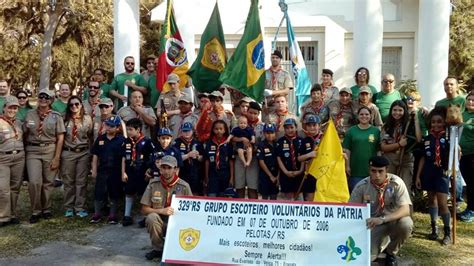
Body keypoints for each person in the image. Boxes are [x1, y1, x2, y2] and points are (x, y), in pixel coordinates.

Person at [349, 156, 413, 266]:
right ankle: (382, 243)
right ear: (369, 170)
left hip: (393, 221)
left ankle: (391, 253)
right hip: (373, 226)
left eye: (380, 171)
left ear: (386, 170)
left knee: (406, 224)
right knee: (366, 258)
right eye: (373, 171)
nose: (377, 175)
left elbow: (406, 209)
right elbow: (351, 211)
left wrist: (382, 219)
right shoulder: (362, 186)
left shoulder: (396, 183)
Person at [24, 90, 66, 223]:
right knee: (34, 182)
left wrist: (57, 157)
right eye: (41, 96)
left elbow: (60, 137)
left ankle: (46, 208)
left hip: (50, 149)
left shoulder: (56, 116)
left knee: (48, 182)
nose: (43, 99)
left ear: (51, 100)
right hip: (33, 150)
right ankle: (36, 210)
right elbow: (24, 134)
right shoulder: (29, 114)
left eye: (46, 97)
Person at [140, 155, 192, 260]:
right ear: (160, 169)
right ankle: (158, 249)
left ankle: (177, 248)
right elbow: (144, 209)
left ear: (176, 169)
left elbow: (191, 212)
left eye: (169, 168)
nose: (166, 171)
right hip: (161, 224)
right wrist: (161, 211)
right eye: (163, 167)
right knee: (151, 217)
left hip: (178, 226)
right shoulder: (153, 184)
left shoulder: (184, 186)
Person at [415, 107, 452, 245]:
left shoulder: (448, 138)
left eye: (439, 122)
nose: (436, 125)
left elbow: (453, 156)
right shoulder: (427, 139)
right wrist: (418, 176)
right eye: (433, 122)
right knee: (431, 200)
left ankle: (447, 232)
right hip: (428, 173)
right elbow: (423, 159)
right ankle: (434, 228)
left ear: (444, 123)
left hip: (442, 173)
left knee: (443, 203)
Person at [61, 96, 93, 218]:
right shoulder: (64, 118)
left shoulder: (87, 119)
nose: (74, 107)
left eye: (77, 104)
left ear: (81, 105)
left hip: (83, 152)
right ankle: (69, 207)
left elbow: (90, 136)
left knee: (81, 181)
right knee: (68, 181)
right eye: (71, 105)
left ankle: (80, 207)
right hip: (68, 152)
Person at [90, 115, 126, 224]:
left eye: (112, 126)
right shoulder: (101, 138)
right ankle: (97, 213)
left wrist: (123, 172)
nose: (109, 128)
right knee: (99, 192)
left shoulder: (121, 140)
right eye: (108, 125)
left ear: (117, 128)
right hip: (102, 170)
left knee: (114, 192)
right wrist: (94, 170)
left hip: (115, 171)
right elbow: (95, 155)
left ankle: (112, 215)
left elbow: (124, 158)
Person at [381, 100, 421, 194]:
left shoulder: (409, 125)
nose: (397, 113)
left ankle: (406, 209)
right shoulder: (386, 126)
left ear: (405, 111)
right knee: (389, 189)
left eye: (400, 110)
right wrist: (398, 144)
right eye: (394, 110)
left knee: (405, 189)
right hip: (390, 159)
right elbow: (383, 147)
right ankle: (390, 208)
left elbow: (419, 139)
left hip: (406, 160)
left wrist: (415, 120)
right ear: (391, 111)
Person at [121, 118, 155, 226]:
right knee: (129, 192)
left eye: (131, 129)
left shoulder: (147, 142)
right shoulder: (127, 141)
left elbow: (153, 158)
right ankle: (127, 216)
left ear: (138, 129)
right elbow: (123, 158)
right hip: (130, 171)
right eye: (128, 129)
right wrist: (123, 172)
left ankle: (145, 217)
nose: (129, 132)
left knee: (143, 194)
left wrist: (150, 171)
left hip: (142, 172)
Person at [343, 106, 381, 192]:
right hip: (355, 170)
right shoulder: (351, 131)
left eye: (367, 114)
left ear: (371, 116)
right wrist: (347, 166)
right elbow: (347, 150)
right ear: (357, 116)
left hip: (372, 170)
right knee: (356, 196)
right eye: (361, 114)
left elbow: (379, 151)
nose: (364, 116)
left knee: (372, 197)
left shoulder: (376, 131)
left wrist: (379, 167)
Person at [0, 96, 24, 226]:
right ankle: (3, 216)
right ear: (4, 108)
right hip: (3, 158)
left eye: (15, 108)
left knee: (15, 187)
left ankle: (13, 214)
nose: (12, 110)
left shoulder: (19, 122)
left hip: (19, 158)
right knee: (3, 189)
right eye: (10, 107)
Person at [233, 101, 264, 199]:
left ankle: (252, 211)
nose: (252, 115)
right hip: (239, 156)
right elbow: (232, 138)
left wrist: (253, 146)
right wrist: (242, 139)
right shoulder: (240, 122)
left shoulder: (261, 126)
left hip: (253, 158)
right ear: (247, 112)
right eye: (250, 112)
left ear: (259, 114)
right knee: (239, 186)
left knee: (252, 187)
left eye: (255, 113)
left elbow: (263, 142)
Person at [204, 120, 234, 197]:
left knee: (223, 196)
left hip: (225, 173)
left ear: (225, 130)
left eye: (221, 129)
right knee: (212, 195)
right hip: (213, 173)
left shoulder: (228, 144)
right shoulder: (209, 143)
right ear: (213, 130)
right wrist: (206, 176)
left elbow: (231, 161)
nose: (218, 131)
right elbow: (207, 160)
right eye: (216, 129)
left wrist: (231, 177)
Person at [276, 118, 304, 200]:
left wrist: (300, 171)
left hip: (299, 173)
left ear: (296, 127)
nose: (289, 130)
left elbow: (303, 157)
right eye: (287, 128)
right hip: (286, 174)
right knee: (288, 197)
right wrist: (286, 172)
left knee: (299, 196)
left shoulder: (301, 141)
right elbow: (279, 158)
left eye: (291, 127)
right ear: (284, 129)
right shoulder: (280, 142)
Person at [173, 122, 204, 195]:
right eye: (184, 131)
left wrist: (197, 156)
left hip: (195, 172)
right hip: (182, 172)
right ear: (181, 132)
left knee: (195, 193)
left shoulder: (197, 143)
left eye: (189, 131)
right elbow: (175, 159)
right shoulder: (177, 142)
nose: (186, 133)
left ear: (192, 131)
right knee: (180, 193)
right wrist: (188, 155)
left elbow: (203, 158)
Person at [297, 114, 323, 201]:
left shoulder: (325, 138)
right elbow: (299, 158)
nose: (312, 127)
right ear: (306, 127)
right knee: (309, 198)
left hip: (322, 173)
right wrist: (309, 155)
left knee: (322, 197)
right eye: (309, 125)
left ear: (319, 126)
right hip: (309, 173)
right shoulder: (304, 141)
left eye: (314, 125)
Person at [263, 50, 294, 116]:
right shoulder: (264, 74)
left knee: (281, 124)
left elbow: (287, 91)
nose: (274, 59)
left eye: (277, 58)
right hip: (268, 107)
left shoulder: (285, 74)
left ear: (280, 60)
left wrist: (272, 92)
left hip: (281, 106)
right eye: (273, 57)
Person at [459, 92, 474, 222]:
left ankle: (472, 210)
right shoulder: (462, 114)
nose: (470, 102)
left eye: (473, 100)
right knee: (469, 182)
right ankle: (469, 208)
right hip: (462, 154)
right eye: (468, 100)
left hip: (472, 154)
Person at [256, 123, 279, 200]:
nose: (270, 135)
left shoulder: (277, 144)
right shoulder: (261, 145)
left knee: (274, 196)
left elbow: (280, 161)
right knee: (264, 197)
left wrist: (278, 176)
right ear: (264, 133)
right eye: (267, 133)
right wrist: (270, 176)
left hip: (276, 174)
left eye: (272, 133)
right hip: (265, 175)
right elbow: (261, 161)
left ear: (275, 133)